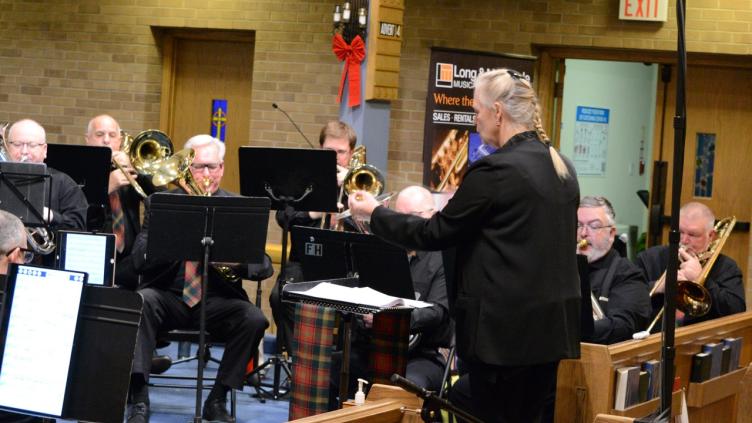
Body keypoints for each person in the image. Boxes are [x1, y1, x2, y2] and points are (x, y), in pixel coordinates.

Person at [349, 68, 581, 423]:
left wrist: (375, 212)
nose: (475, 122)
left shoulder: (496, 171)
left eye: (477, 111)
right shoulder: (561, 166)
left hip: (503, 335)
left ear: (498, 112)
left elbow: (434, 233)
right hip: (550, 331)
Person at [126, 135, 269, 423]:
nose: (206, 175)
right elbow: (138, 259)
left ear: (222, 168)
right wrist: (172, 242)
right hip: (169, 297)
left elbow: (264, 266)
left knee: (254, 318)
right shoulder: (162, 203)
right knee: (141, 301)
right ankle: (139, 398)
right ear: (186, 169)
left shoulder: (237, 207)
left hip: (216, 301)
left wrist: (235, 261)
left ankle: (217, 399)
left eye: (212, 167)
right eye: (198, 167)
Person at [329, 186, 453, 408]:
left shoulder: (443, 258)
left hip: (420, 356)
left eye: (410, 217)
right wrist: (363, 314)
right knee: (326, 369)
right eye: (399, 217)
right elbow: (362, 297)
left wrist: (392, 318)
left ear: (432, 217)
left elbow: (438, 312)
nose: (403, 225)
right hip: (373, 348)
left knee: (406, 388)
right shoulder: (381, 251)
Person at [269, 120, 358, 353]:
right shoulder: (303, 182)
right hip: (304, 262)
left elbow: (370, 227)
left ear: (351, 154)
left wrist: (347, 206)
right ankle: (302, 362)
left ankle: (334, 368)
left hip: (345, 268)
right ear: (320, 150)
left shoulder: (360, 184)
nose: (336, 158)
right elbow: (283, 218)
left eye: (341, 152)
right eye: (330, 152)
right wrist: (316, 209)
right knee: (280, 297)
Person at [634, 202, 745, 327]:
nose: (684, 240)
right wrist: (658, 286)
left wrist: (703, 280)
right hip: (651, 337)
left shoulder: (727, 267)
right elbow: (627, 297)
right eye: (680, 232)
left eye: (693, 235)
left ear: (711, 236)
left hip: (701, 339)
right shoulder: (649, 258)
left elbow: (737, 311)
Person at [84, 114, 157, 289]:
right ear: (87, 140)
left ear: (120, 140)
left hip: (130, 259)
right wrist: (106, 187)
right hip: (92, 255)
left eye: (112, 135)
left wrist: (138, 170)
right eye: (99, 134)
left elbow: (158, 199)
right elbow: (75, 211)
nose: (106, 140)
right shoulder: (80, 168)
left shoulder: (129, 168)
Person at [576, 196, 650, 344]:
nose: (583, 233)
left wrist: (572, 331)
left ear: (611, 234)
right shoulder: (562, 267)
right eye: (578, 225)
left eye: (594, 226)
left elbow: (623, 326)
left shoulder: (628, 274)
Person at [5, 119, 87, 232]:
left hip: (51, 249)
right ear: (8, 148)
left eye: (32, 145)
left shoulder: (64, 183)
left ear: (45, 150)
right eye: (17, 144)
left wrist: (52, 216)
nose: (24, 151)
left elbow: (79, 227)